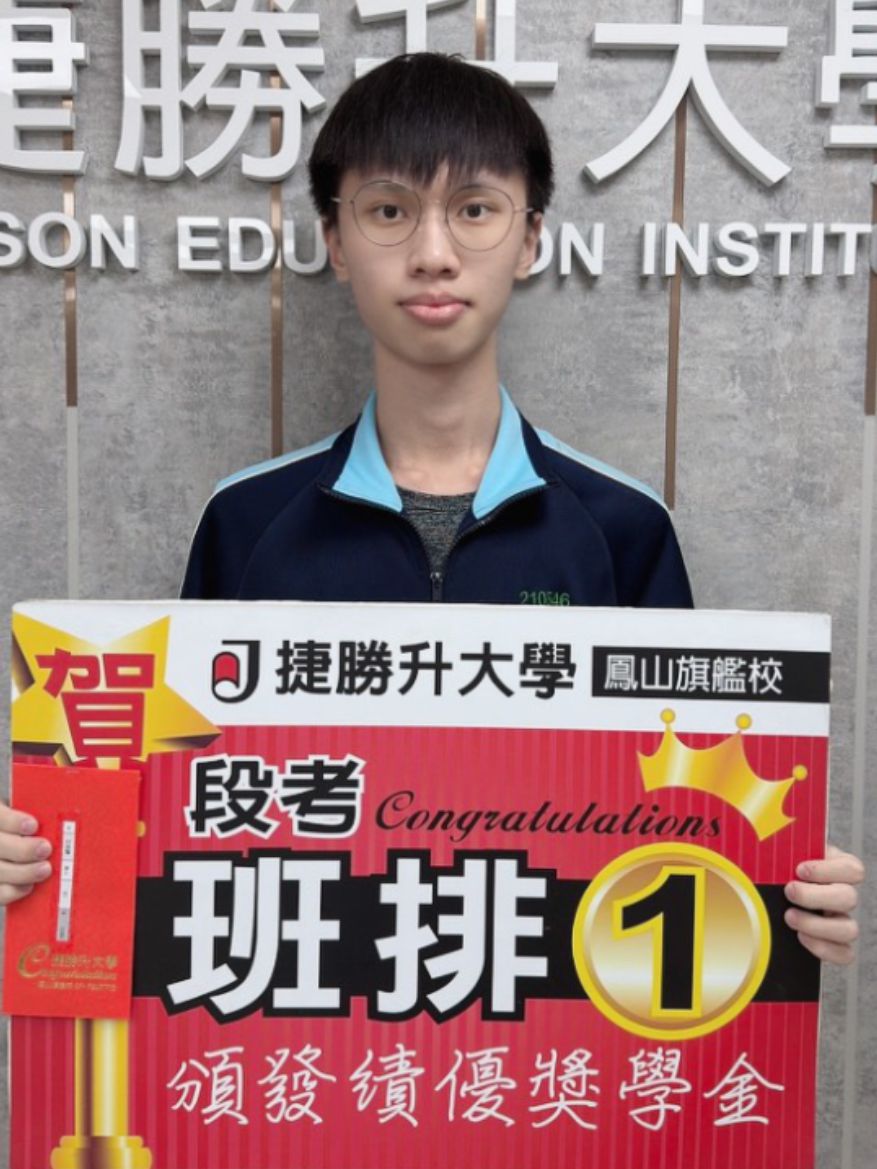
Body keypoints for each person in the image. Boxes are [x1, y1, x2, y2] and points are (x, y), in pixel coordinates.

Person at [0, 54, 863, 961]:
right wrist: (46, 856)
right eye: (388, 211)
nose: (434, 252)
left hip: (544, 1018)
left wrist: (781, 900)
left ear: (529, 238)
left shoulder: (622, 528)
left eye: (475, 209)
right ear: (335, 241)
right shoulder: (247, 521)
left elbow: (686, 815)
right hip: (312, 1012)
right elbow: (174, 816)